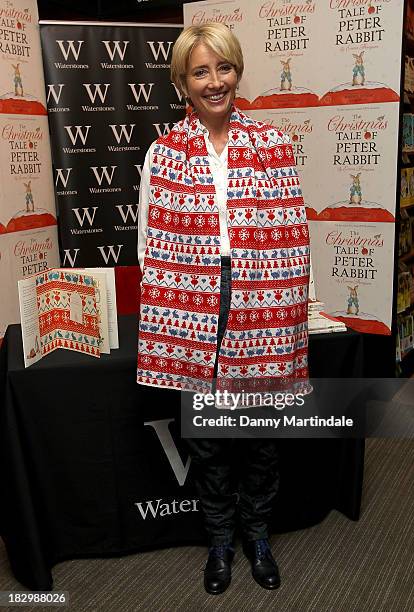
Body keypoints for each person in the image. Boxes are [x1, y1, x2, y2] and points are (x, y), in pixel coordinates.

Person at [137, 23, 310, 595]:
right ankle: (218, 539)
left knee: (258, 428)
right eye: (201, 72)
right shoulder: (162, 154)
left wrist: (285, 307)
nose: (216, 82)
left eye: (225, 68)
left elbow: (293, 233)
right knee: (207, 434)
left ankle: (257, 534)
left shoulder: (271, 144)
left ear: (238, 72)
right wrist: (173, 300)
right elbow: (148, 242)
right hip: (190, 297)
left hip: (260, 293)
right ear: (182, 82)